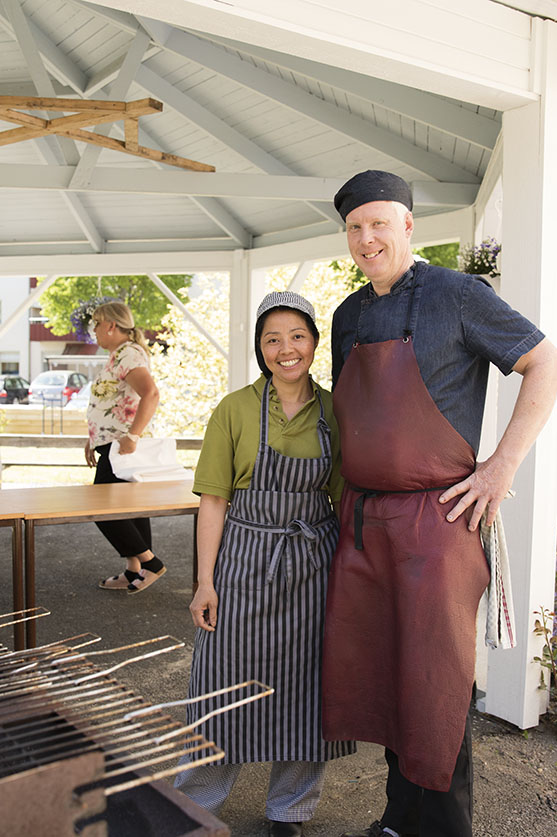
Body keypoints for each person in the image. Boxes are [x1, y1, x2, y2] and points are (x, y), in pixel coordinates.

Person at [321, 170, 557, 837]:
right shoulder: (347, 315)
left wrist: (501, 465)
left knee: (436, 685)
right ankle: (401, 819)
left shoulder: (457, 294)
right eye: (354, 227)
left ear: (407, 226)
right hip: (365, 521)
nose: (367, 239)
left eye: (379, 223)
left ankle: (447, 829)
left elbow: (546, 363)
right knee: (385, 674)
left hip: (438, 520)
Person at [174, 291, 354, 837]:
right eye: (271, 339)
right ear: (260, 348)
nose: (285, 349)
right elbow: (213, 501)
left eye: (297, 336)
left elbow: (345, 497)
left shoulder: (335, 410)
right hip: (244, 558)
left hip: (314, 561)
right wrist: (205, 582)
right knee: (221, 682)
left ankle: (290, 811)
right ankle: (194, 804)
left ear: (315, 343)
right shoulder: (233, 409)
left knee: (307, 686)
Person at [85, 301, 164, 594]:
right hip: (111, 444)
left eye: (96, 324)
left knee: (102, 508)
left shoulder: (128, 354)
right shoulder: (118, 355)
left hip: (123, 447)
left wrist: (133, 436)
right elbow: (110, 403)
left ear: (111, 325)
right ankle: (135, 570)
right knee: (130, 509)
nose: (93, 330)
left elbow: (151, 394)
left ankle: (150, 563)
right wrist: (92, 439)